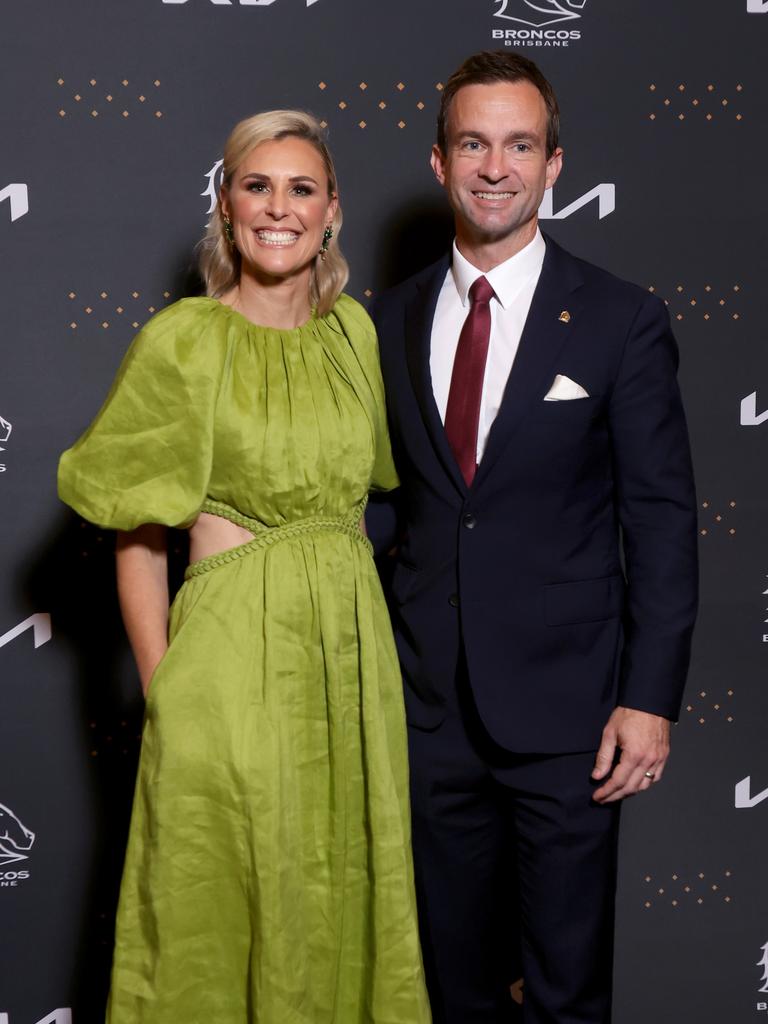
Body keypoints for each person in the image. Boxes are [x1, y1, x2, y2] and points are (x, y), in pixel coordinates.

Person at [58, 110, 431, 1024]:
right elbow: (137, 536)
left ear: (332, 210)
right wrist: (166, 685)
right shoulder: (182, 341)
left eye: (301, 188)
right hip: (226, 663)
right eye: (256, 187)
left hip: (348, 666)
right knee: (214, 905)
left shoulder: (356, 338)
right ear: (225, 208)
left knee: (337, 891)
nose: (279, 208)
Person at [368, 52, 698, 1023]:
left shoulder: (620, 320)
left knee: (562, 991)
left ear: (555, 165)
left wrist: (649, 698)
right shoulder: (380, 323)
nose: (495, 166)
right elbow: (389, 505)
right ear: (439, 161)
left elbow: (662, 518)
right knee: (450, 990)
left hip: (569, 717)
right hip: (425, 710)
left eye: (520, 144)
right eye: (474, 142)